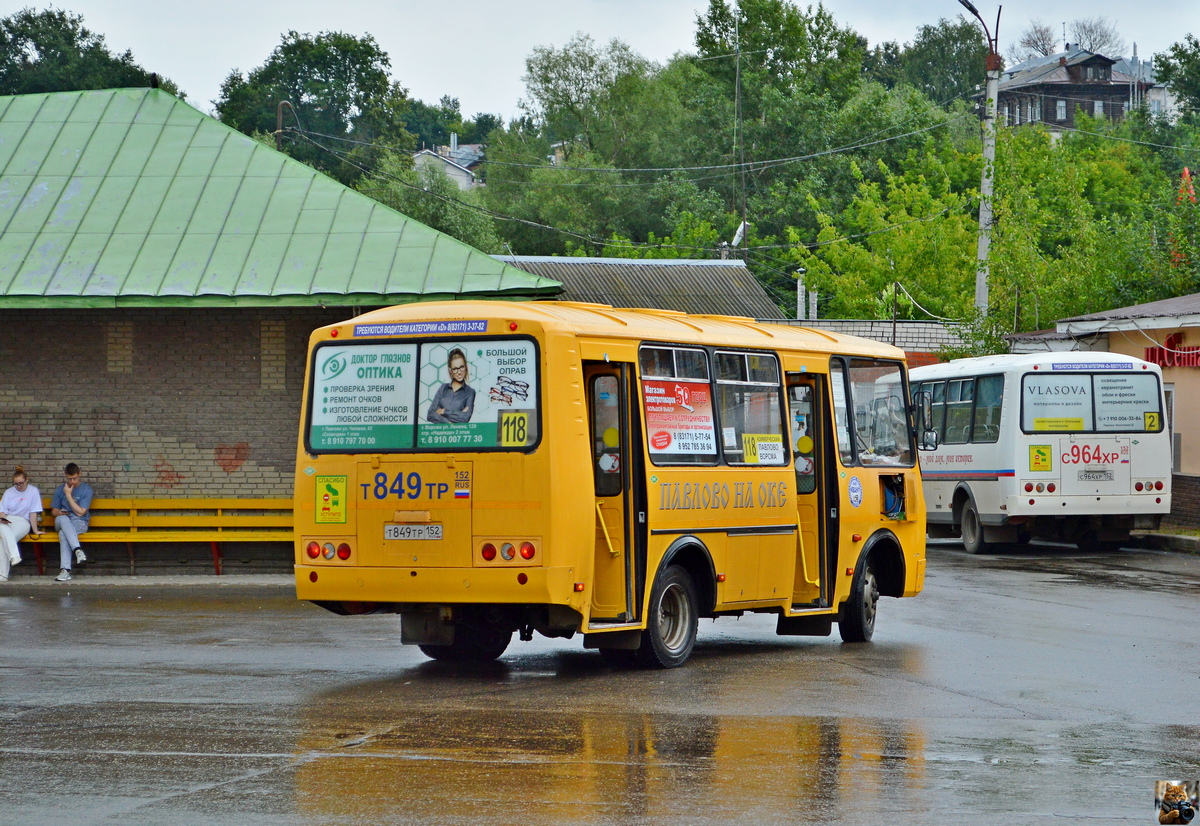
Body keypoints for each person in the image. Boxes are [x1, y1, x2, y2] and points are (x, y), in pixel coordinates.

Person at [51, 462, 93, 583]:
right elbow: (54, 511)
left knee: (63, 534)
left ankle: (65, 570)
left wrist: (68, 496)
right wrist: (60, 513)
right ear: (65, 476)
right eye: (70, 479)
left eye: (75, 478)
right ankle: (77, 550)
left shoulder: (86, 490)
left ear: (79, 474)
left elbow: (80, 513)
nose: (73, 481)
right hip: (61, 519)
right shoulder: (60, 489)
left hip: (79, 522)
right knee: (63, 520)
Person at [0, 466, 42, 582]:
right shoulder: (9, 492)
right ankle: (13, 557)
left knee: (3, 540)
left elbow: (33, 512)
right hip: (8, 519)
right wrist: (2, 518)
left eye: (20, 483)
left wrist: (35, 530)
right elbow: (2, 510)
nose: (18, 486)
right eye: (16, 484)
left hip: (23, 521)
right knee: (2, 531)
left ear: (26, 480)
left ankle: (3, 574)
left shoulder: (33, 491)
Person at [425, 348, 476, 423]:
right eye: (455, 369)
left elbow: (465, 418)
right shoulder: (443, 388)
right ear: (450, 370)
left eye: (462, 367)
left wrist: (443, 411)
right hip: (439, 433)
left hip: (459, 433)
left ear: (466, 367)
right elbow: (430, 415)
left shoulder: (470, 392)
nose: (459, 372)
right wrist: (447, 422)